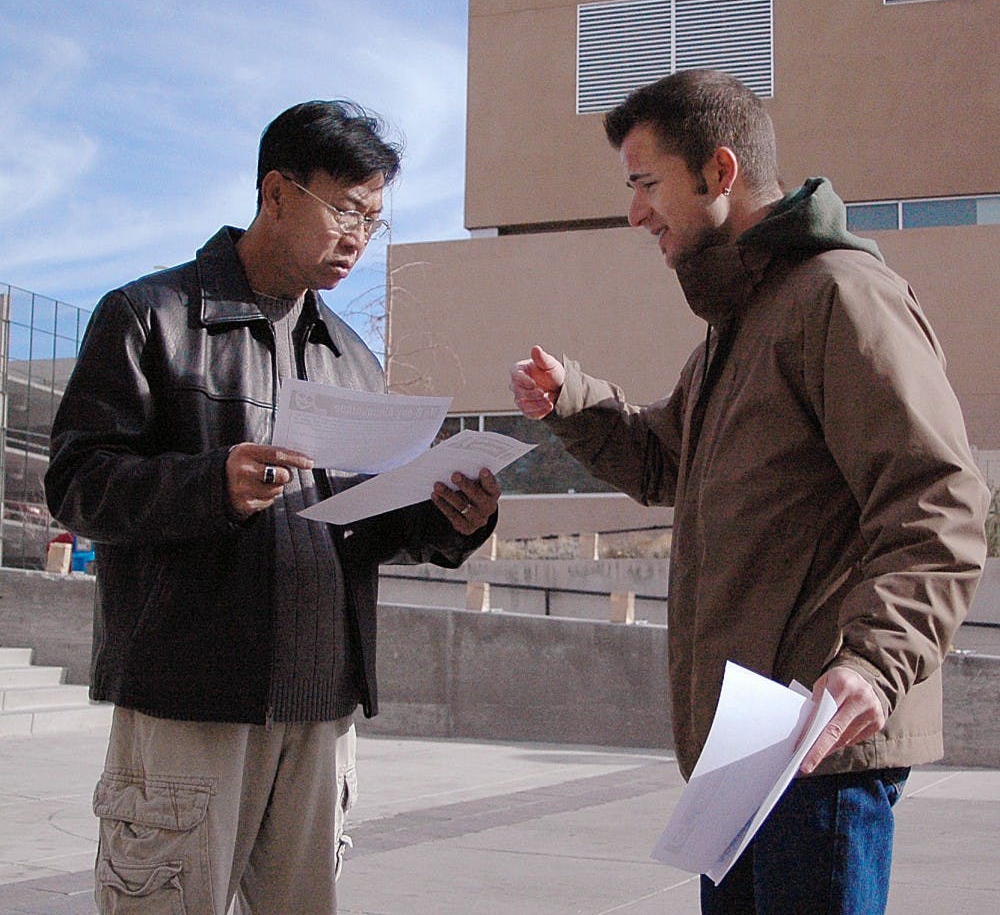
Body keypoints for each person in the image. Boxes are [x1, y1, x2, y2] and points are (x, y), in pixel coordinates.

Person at [510, 69, 989, 914]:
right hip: (747, 752)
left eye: (646, 184)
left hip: (817, 746)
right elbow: (666, 461)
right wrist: (574, 401)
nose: (635, 213)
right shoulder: (741, 324)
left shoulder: (841, 297)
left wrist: (875, 664)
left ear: (719, 173)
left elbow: (938, 501)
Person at [45, 99, 499, 915]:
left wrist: (447, 517)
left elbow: (366, 518)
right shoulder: (149, 316)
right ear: (277, 192)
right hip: (191, 700)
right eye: (345, 210)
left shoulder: (352, 357)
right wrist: (210, 483)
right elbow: (78, 482)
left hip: (323, 707)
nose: (359, 236)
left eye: (375, 219)